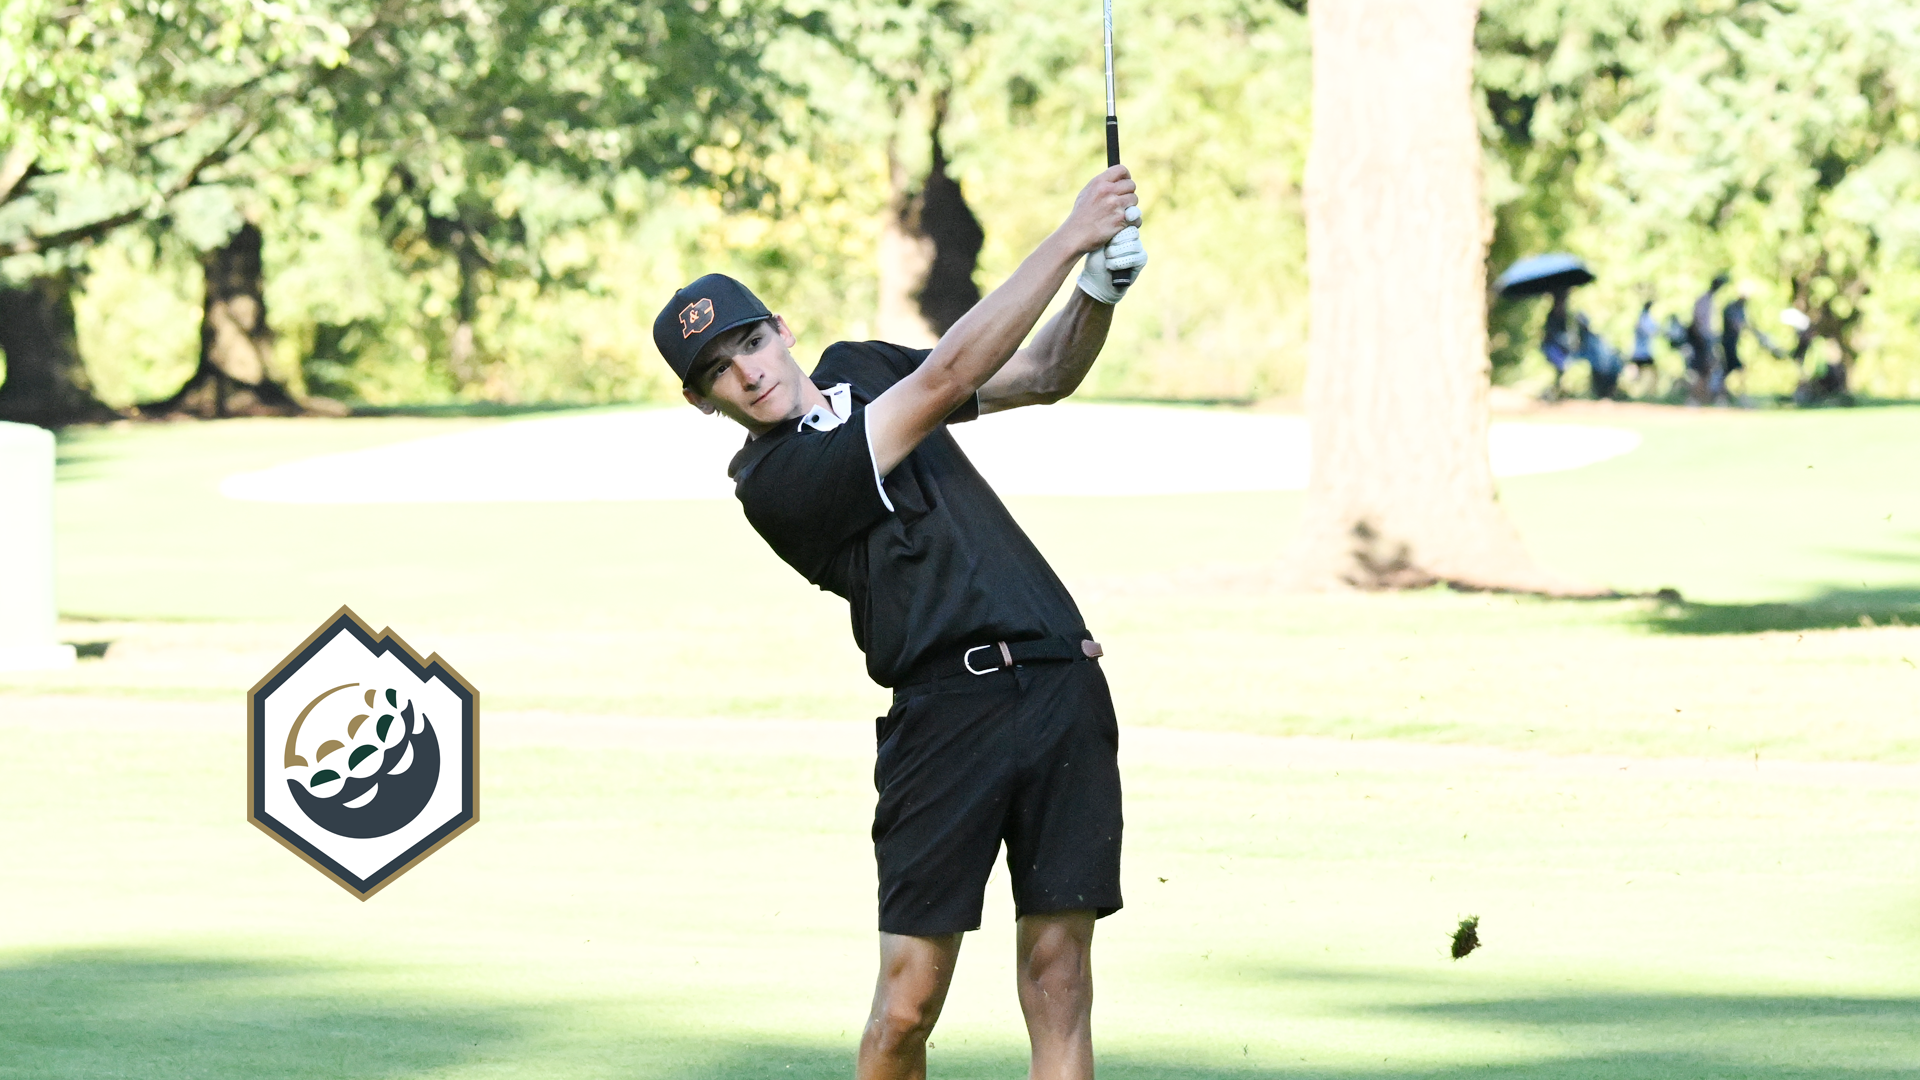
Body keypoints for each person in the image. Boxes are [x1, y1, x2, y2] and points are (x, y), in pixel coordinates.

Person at [651, 166, 1146, 1080]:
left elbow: (1039, 375)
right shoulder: (773, 486)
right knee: (908, 1004)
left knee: (1060, 975)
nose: (748, 372)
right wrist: (1070, 234)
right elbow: (948, 372)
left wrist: (1097, 291)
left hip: (1063, 680)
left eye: (751, 341)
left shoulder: (859, 367)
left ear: (781, 330)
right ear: (700, 399)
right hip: (946, 715)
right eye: (717, 370)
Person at [1688, 273, 1729, 404]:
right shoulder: (1704, 300)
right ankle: (1695, 399)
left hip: (1709, 338)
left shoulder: (1711, 300)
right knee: (1703, 369)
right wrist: (1702, 339)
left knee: (1711, 369)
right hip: (1702, 339)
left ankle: (1705, 398)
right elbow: (1698, 321)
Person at [1541, 287, 1574, 398]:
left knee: (1561, 370)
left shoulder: (1564, 315)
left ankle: (1558, 391)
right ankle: (1556, 391)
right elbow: (1553, 334)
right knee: (1560, 368)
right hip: (1554, 347)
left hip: (1561, 348)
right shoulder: (1554, 316)